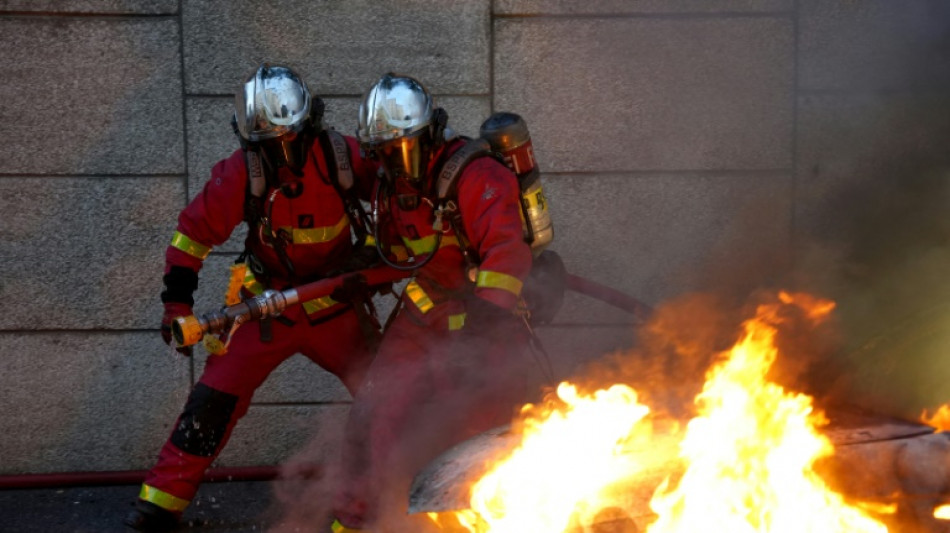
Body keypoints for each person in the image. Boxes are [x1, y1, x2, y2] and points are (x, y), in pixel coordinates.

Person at [125, 63, 381, 532]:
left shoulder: (343, 158)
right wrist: (175, 306)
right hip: (264, 312)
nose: (279, 155)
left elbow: (397, 196)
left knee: (386, 402)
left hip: (336, 311)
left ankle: (360, 517)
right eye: (266, 144)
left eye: (287, 140)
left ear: (310, 125)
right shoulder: (241, 171)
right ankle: (159, 506)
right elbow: (191, 237)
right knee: (211, 403)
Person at [330, 73, 534, 531]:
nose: (392, 164)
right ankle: (354, 520)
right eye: (382, 153)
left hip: (486, 316)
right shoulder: (391, 183)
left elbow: (508, 250)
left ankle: (473, 520)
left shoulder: (477, 174)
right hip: (425, 310)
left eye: (400, 150)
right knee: (373, 411)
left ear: (430, 135)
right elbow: (397, 247)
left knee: (482, 424)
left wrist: (486, 324)